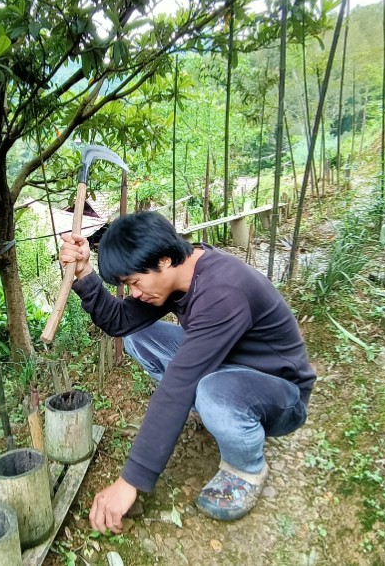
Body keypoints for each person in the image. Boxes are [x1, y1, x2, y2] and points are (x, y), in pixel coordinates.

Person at [58, 211, 314, 533]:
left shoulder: (222, 290)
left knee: (208, 391)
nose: (134, 293)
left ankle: (246, 469)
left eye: (134, 283)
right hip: (227, 367)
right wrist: (84, 274)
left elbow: (178, 385)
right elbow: (119, 321)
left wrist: (130, 480)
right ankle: (216, 413)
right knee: (140, 336)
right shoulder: (179, 274)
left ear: (163, 260)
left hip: (280, 392)